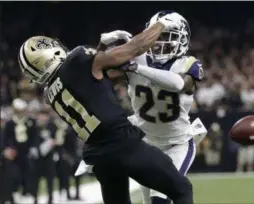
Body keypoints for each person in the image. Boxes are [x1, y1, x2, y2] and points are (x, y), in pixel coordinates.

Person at [18, 12, 194, 204]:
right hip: (123, 144)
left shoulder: (49, 94)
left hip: (99, 157)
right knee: (181, 189)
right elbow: (134, 49)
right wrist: (162, 24)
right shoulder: (76, 60)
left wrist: (101, 47)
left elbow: (94, 75)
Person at [98, 11, 208, 204]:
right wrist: (103, 48)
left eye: (168, 36)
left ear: (182, 39)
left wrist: (137, 69)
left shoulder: (188, 64)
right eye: (158, 35)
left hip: (177, 144)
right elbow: (97, 71)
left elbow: (180, 84)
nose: (161, 42)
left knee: (162, 199)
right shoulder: (137, 58)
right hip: (145, 144)